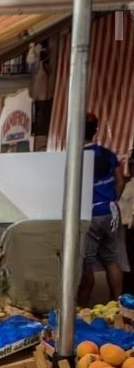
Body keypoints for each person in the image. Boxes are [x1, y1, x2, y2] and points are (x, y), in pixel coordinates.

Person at [78, 113, 126, 306]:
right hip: (110, 211)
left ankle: (82, 307)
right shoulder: (109, 154)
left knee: (87, 263)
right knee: (112, 260)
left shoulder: (77, 158)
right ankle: (118, 304)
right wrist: (113, 199)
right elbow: (120, 181)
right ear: (96, 130)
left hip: (89, 214)